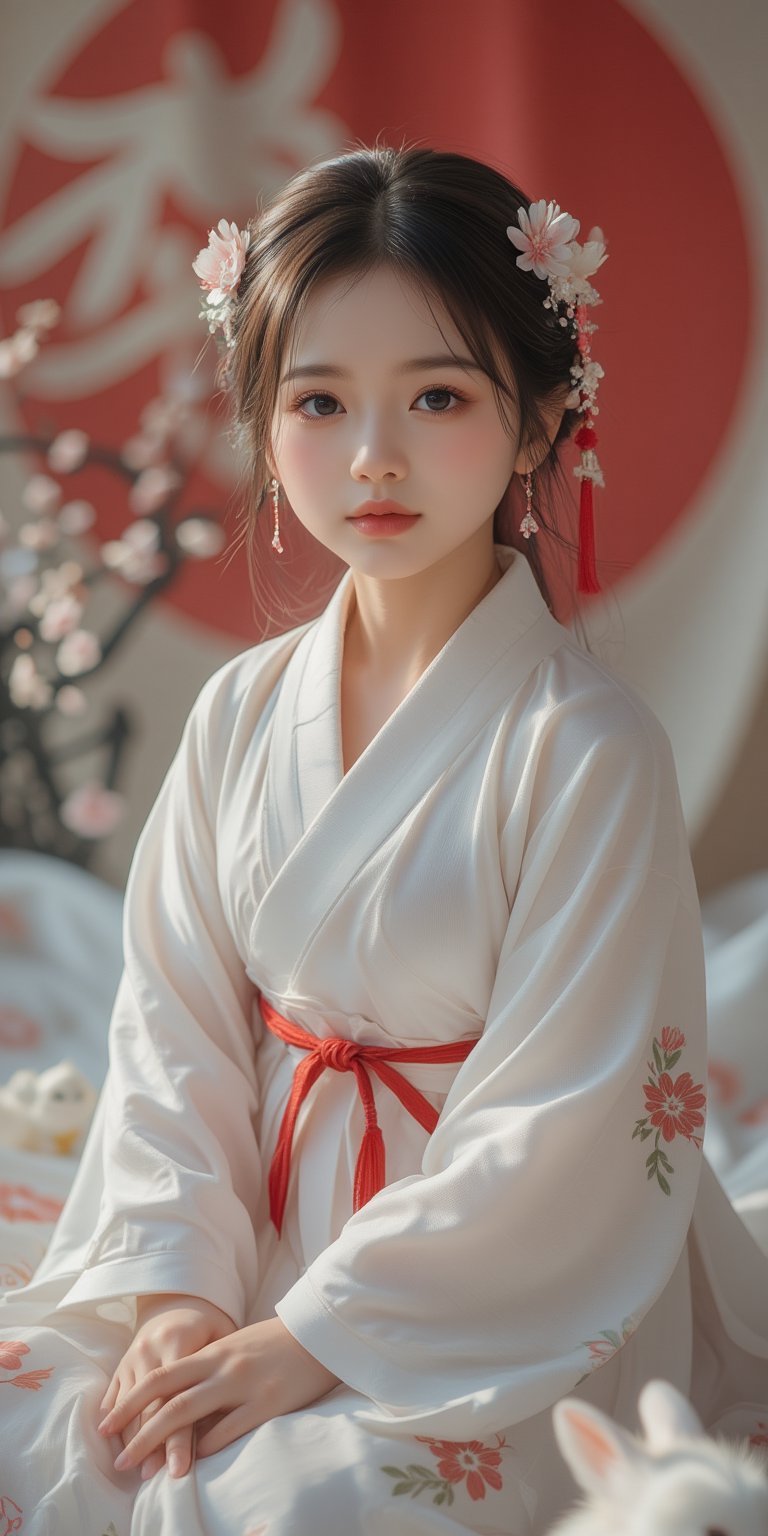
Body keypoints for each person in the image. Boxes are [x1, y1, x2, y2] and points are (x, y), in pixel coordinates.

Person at [0, 142, 766, 1536]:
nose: (374, 458)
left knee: (319, 1505)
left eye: (437, 395)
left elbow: (570, 1127)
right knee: (61, 1443)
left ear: (537, 423)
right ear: (263, 422)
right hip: (261, 1239)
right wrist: (180, 1301)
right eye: (319, 400)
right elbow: (172, 1033)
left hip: (508, 1302)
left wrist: (317, 1340)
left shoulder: (588, 750)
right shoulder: (241, 715)